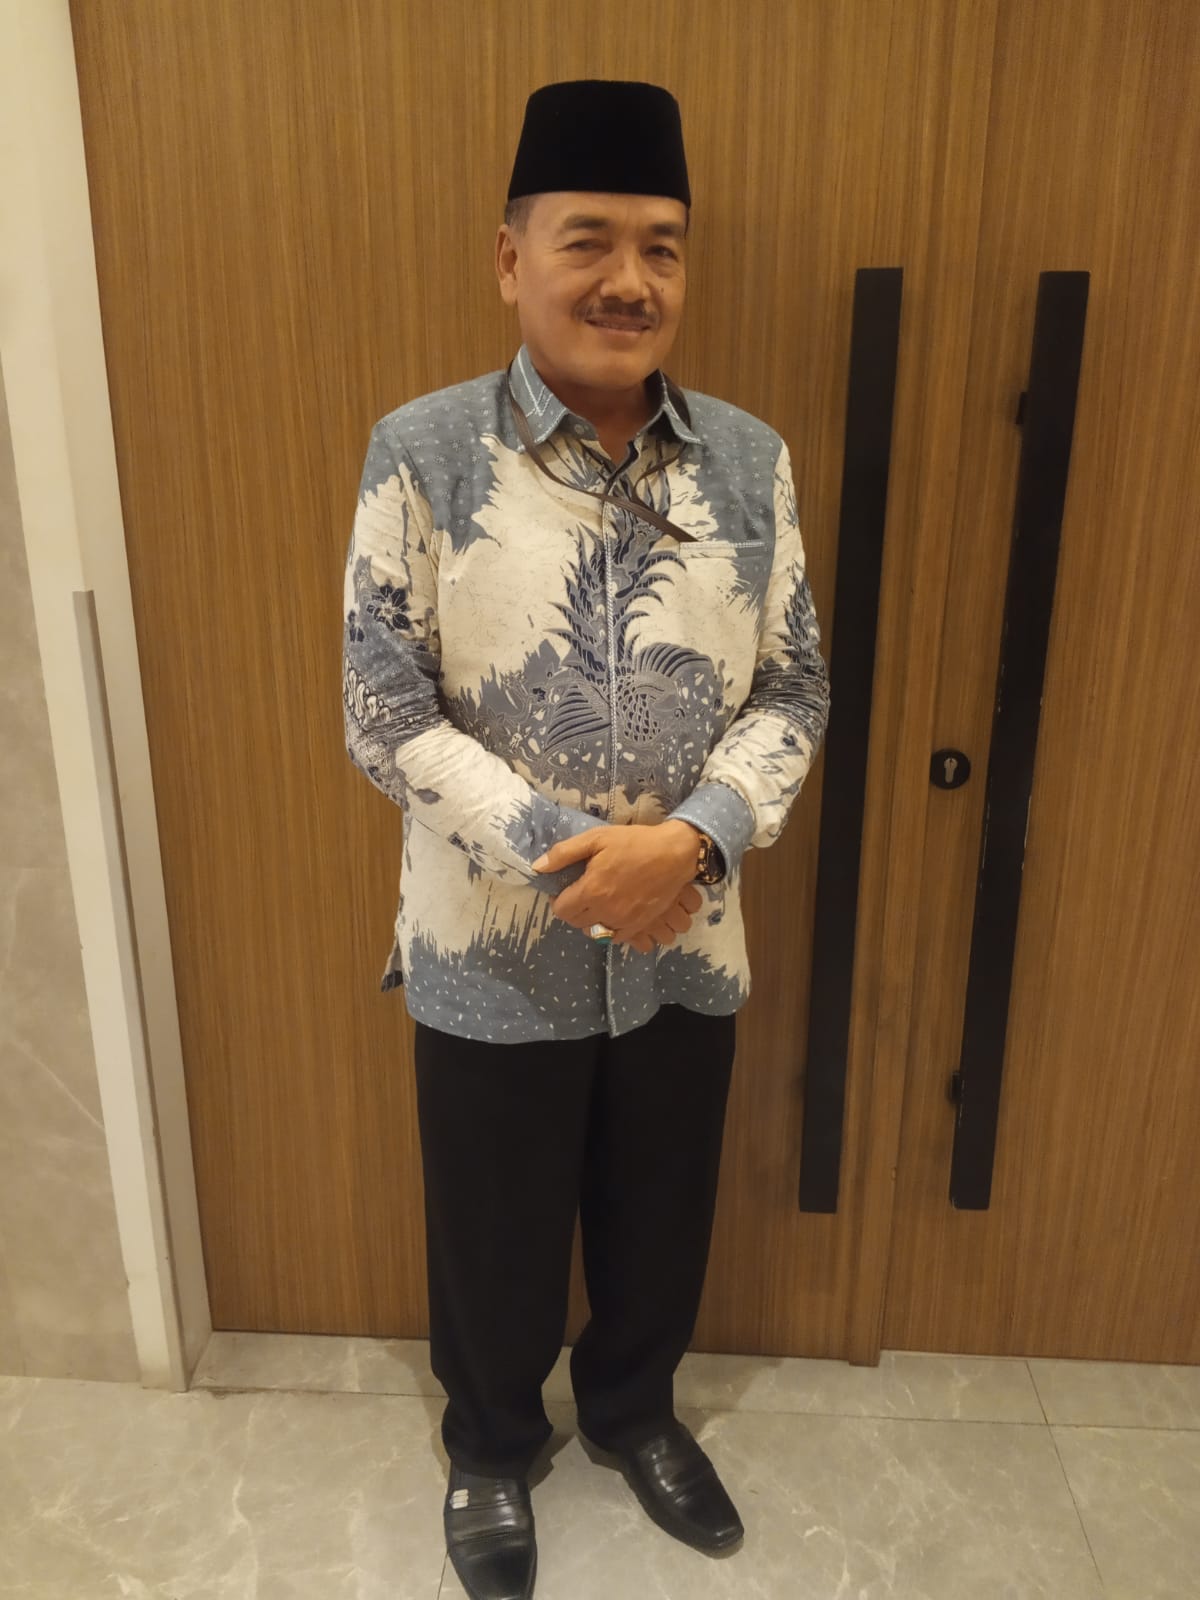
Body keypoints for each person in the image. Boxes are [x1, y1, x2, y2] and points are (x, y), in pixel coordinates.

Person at [343, 77, 830, 1600]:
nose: (631, 279)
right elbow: (383, 709)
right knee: (491, 1223)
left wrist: (691, 842)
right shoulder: (424, 452)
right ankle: (492, 1444)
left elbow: (796, 685)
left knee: (660, 1206)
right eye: (590, 240)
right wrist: (583, 859)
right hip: (492, 944)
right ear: (512, 259)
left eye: (662, 247)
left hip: (688, 933)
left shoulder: (748, 461)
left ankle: (634, 1411)